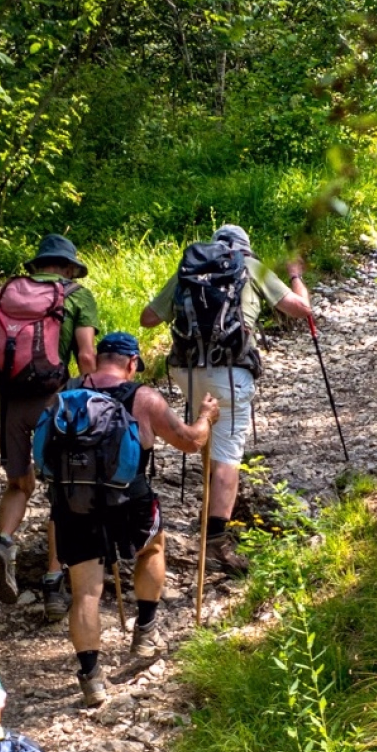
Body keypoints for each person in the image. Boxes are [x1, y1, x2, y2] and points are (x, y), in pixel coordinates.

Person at [33, 331, 220, 709]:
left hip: (72, 501)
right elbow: (190, 441)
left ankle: (91, 677)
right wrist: (205, 416)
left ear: (98, 358)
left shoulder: (65, 394)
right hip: (129, 496)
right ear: (132, 362)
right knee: (151, 549)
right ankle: (146, 630)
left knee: (85, 591)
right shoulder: (143, 397)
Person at [139, 223, 315, 579]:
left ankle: (209, 511)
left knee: (209, 427)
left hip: (186, 370)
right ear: (244, 248)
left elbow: (148, 319)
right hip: (230, 370)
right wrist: (296, 276)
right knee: (228, 454)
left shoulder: (189, 269)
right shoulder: (251, 266)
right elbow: (301, 309)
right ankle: (216, 537)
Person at [0, 234, 102, 611]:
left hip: (8, 402)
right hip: (53, 401)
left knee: (18, 483)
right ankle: (52, 583)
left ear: (38, 265)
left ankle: (4, 542)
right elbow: (88, 356)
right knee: (62, 492)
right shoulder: (77, 295)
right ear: (67, 267)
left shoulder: (6, 293)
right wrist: (94, 406)